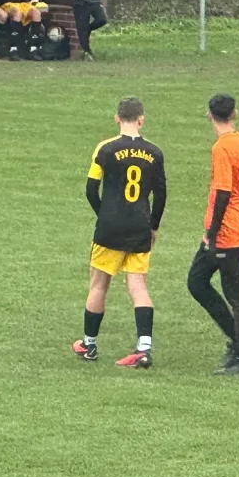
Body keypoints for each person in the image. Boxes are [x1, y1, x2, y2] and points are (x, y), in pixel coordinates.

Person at [74, 98, 166, 368]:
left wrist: (104, 215)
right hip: (140, 226)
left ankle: (89, 345)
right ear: (141, 119)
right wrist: (153, 226)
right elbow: (161, 195)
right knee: (138, 286)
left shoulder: (105, 148)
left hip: (110, 227)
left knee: (98, 284)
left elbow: (91, 189)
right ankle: (144, 348)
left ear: (117, 118)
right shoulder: (155, 152)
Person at [187, 93, 239, 375]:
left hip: (227, 228)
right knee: (198, 282)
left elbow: (223, 190)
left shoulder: (221, 148)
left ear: (209, 114)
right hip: (238, 221)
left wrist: (213, 231)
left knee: (233, 291)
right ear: (234, 114)